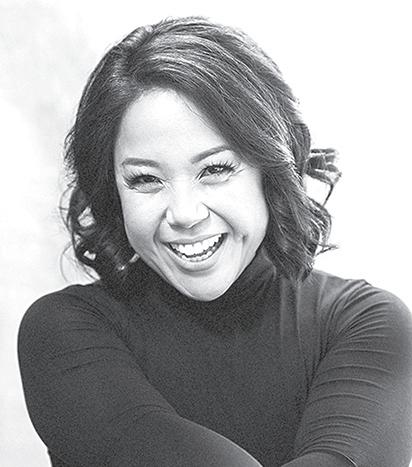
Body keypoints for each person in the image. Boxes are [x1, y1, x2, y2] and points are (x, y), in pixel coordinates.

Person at [18, 16, 412, 467]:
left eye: (215, 169)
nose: (185, 213)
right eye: (145, 179)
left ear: (272, 167)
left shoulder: (367, 324)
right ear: (113, 191)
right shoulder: (63, 332)